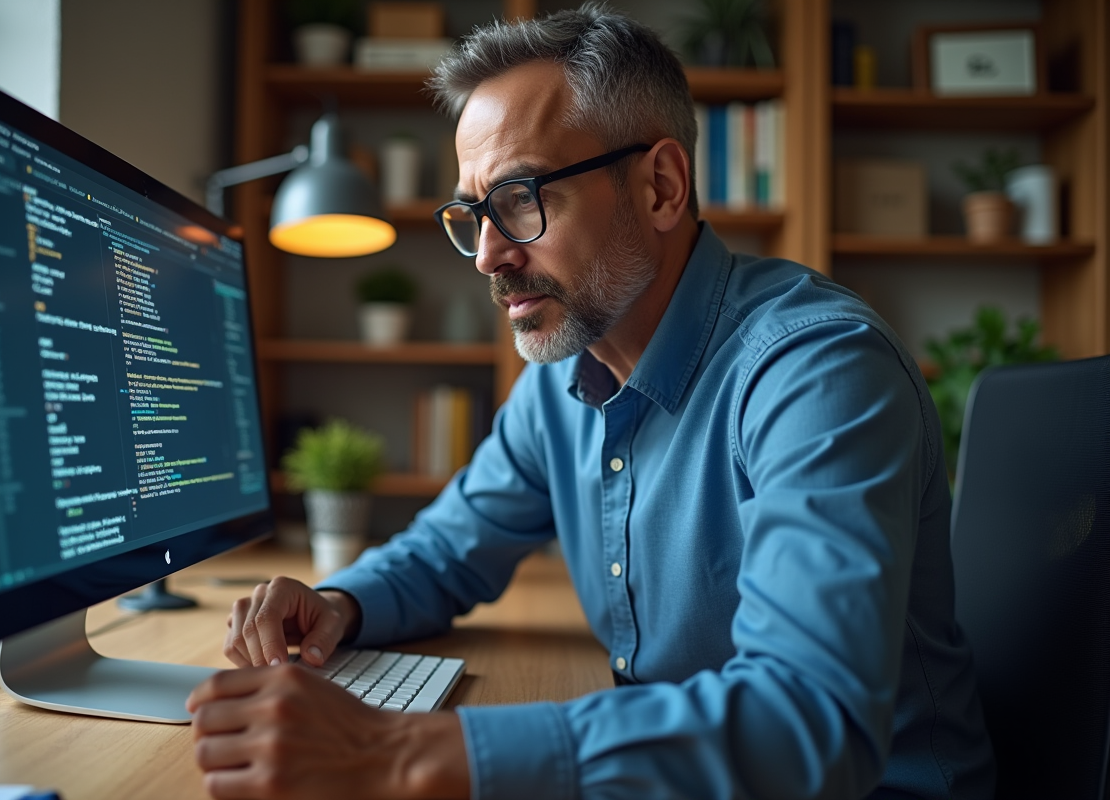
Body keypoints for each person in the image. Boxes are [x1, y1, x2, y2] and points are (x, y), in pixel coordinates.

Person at [185, 4, 995, 798]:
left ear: (661, 187)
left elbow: (811, 720)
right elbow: (446, 551)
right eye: (474, 215)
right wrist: (337, 604)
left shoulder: (815, 372)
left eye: (522, 200)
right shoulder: (559, 383)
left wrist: (404, 754)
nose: (488, 256)